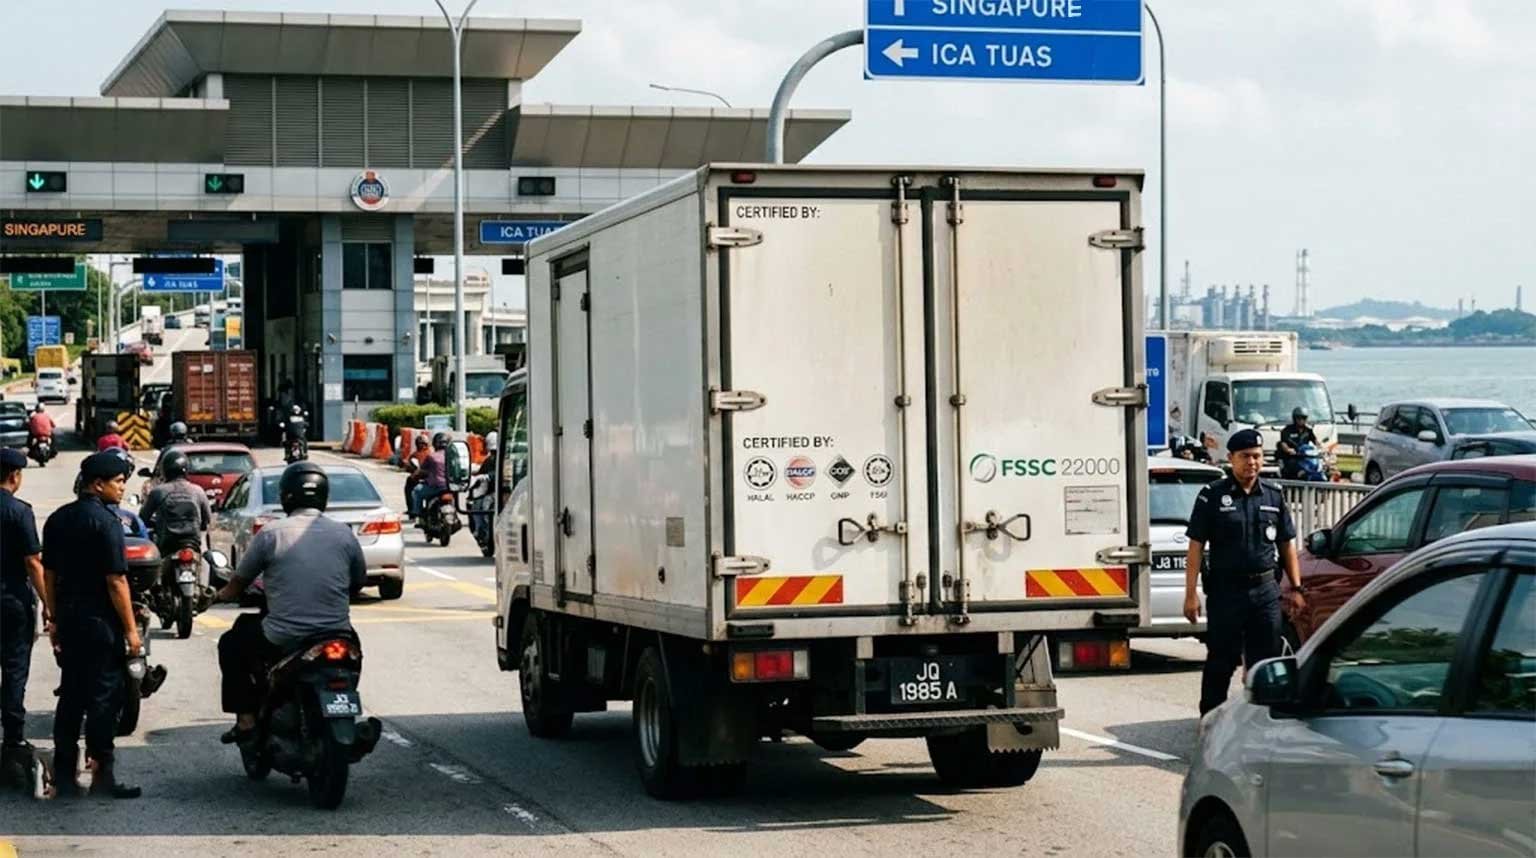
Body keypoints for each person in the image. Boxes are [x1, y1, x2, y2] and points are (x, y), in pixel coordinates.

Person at [213, 462, 366, 743]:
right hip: (338, 632)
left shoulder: (272, 533)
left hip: (284, 636)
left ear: (286, 495)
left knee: (232, 643)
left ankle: (246, 721)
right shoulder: (344, 533)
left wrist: (217, 595)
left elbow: (237, 585)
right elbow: (357, 582)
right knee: (355, 655)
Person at [1183, 429, 1307, 716]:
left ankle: (1262, 723)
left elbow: (1286, 544)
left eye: (1257, 457)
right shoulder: (1212, 496)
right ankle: (1210, 723)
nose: (1252, 462)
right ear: (1231, 459)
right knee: (1221, 662)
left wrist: (1297, 589)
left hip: (1265, 592)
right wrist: (1190, 594)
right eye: (1245, 457)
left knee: (1266, 664)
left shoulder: (1274, 496)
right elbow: (1196, 546)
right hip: (1227, 593)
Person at [42, 452, 143, 798]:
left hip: (69, 619)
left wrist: (53, 617)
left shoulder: (58, 519)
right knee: (103, 698)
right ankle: (102, 774)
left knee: (71, 695)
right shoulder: (107, 523)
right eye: (118, 482)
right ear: (97, 485)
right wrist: (131, 631)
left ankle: (66, 775)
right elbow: (116, 580)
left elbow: (49, 573)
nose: (122, 488)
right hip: (101, 623)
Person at [1, 448, 46, 781]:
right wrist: (51, 605)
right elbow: (33, 563)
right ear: (15, 476)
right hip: (12, 601)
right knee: (15, 669)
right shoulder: (20, 512)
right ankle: (13, 737)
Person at [410, 433, 449, 524]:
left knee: (416, 491)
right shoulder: (453, 457)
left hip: (434, 487)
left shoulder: (431, 456)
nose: (422, 445)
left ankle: (418, 514)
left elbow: (421, 470)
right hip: (450, 487)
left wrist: (414, 476)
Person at [1276, 407, 1319, 481]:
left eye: (1304, 418)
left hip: (1305, 457)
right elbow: (1283, 443)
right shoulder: (1287, 430)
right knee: (1293, 467)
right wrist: (1288, 450)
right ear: (1294, 418)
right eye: (1299, 418)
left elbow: (1315, 441)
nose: (1301, 420)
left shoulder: (1308, 430)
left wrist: (1321, 448)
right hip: (1292, 457)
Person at [402, 434, 432, 518]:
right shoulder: (415, 454)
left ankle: (413, 509)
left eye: (422, 444)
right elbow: (409, 466)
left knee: (410, 483)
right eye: (420, 443)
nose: (421, 445)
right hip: (426, 479)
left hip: (427, 479)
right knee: (410, 481)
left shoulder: (430, 454)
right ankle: (412, 508)